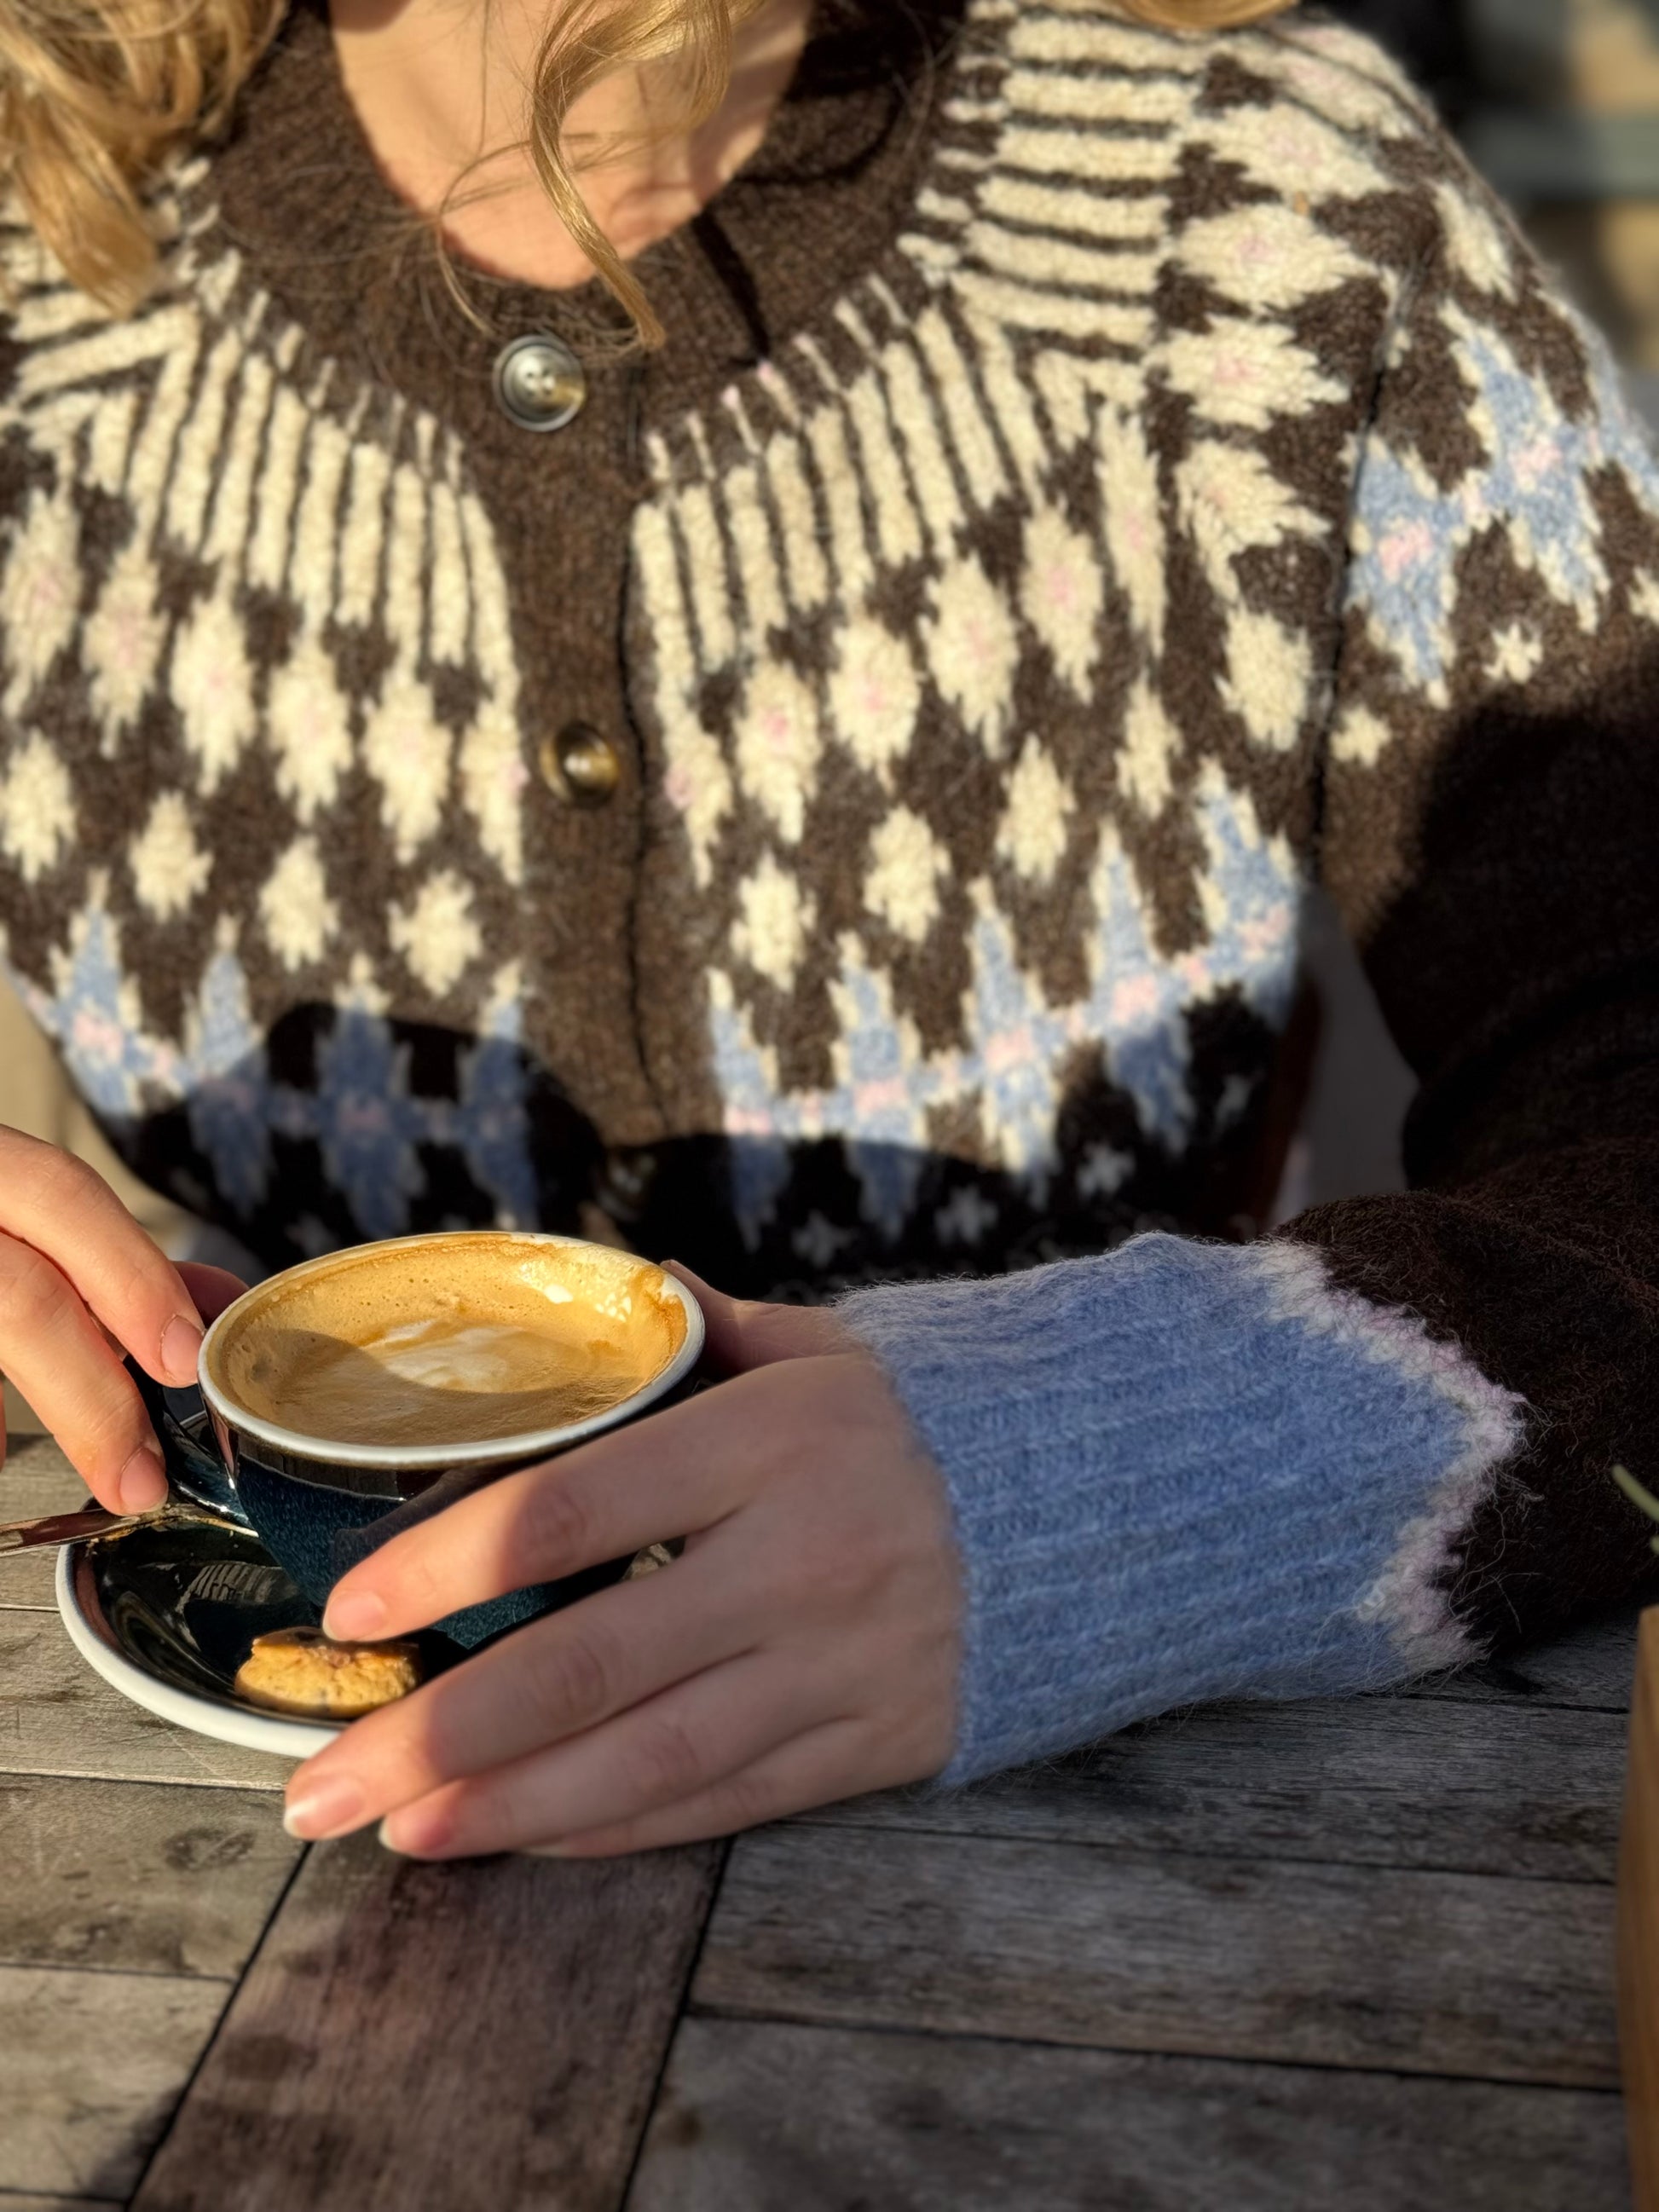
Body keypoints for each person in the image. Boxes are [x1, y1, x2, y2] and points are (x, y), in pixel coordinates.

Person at [0, 0, 1655, 1860]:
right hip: (193, 1876)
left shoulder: (1271, 227)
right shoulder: (36, 269)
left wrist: (1125, 1467)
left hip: (1097, 1899)